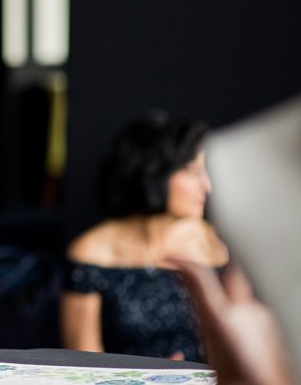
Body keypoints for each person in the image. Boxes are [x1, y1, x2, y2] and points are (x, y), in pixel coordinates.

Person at [61, 113, 228, 362]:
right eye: (193, 172)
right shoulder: (92, 253)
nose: (206, 186)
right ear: (156, 173)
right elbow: (84, 363)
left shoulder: (214, 245)